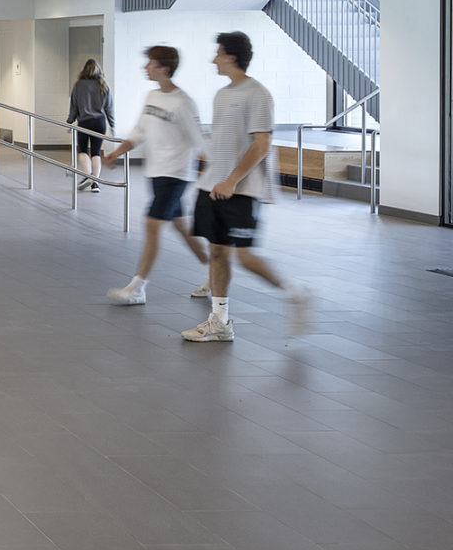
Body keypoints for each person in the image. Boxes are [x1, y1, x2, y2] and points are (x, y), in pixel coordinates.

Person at [182, 32, 312, 342]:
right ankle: (220, 320)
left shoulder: (258, 94)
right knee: (216, 253)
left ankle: (295, 294)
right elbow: (225, 140)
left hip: (241, 189)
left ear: (230, 56)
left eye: (218, 53)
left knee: (244, 257)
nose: (213, 59)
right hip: (213, 185)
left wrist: (232, 180)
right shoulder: (222, 94)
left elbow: (262, 143)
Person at [101, 47, 211, 304]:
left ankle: (138, 287)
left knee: (152, 225)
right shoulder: (152, 96)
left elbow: (199, 141)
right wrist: (116, 153)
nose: (145, 67)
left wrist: (217, 174)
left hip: (176, 176)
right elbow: (140, 131)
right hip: (156, 174)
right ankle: (215, 270)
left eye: (150, 63)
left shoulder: (184, 103)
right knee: (182, 227)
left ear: (164, 68)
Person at [68, 58, 112, 191]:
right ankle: (95, 183)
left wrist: (70, 121)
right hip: (99, 122)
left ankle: (88, 176)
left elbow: (74, 106)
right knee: (96, 152)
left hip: (84, 122)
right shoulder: (103, 84)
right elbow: (109, 107)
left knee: (82, 150)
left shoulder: (79, 85)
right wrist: (112, 124)